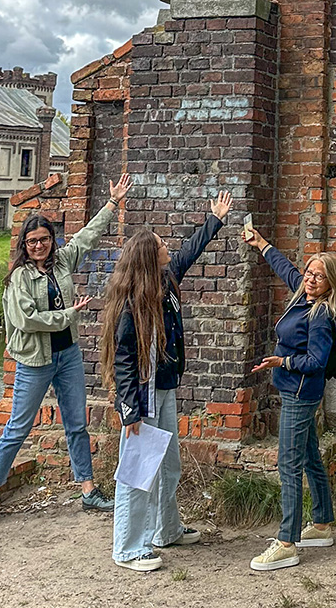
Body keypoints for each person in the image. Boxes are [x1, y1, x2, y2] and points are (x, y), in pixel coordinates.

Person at [0, 174, 132, 529]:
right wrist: (69, 315)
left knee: (77, 424)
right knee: (17, 428)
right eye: (32, 242)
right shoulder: (19, 278)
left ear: (52, 240)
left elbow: (88, 237)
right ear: (24, 245)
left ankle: (88, 490)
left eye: (44, 239)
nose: (39, 246)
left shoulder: (62, 262)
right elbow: (27, 320)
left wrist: (113, 202)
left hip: (67, 356)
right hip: (35, 361)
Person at [101, 192, 233, 572]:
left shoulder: (165, 280)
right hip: (142, 397)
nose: (167, 247)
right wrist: (129, 413)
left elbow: (188, 253)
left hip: (164, 388)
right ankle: (128, 548)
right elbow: (124, 360)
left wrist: (215, 221)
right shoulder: (132, 304)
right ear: (148, 255)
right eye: (160, 244)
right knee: (138, 473)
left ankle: (165, 529)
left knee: (169, 464)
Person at [242, 225, 336, 571]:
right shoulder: (301, 296)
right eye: (310, 272)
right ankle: (321, 523)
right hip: (296, 392)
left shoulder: (320, 316)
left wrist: (283, 361)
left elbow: (316, 363)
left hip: (300, 394)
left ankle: (287, 542)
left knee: (288, 467)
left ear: (331, 284)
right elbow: (286, 269)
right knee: (309, 459)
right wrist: (261, 244)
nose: (311, 279)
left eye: (320, 276)